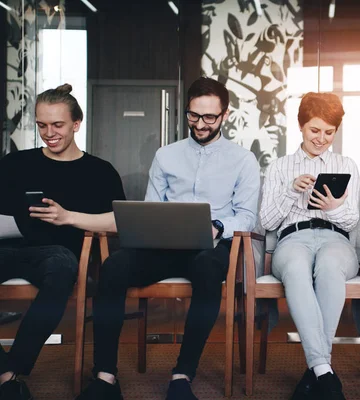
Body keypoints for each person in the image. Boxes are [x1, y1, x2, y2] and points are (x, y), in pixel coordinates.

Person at [76, 77, 260, 400]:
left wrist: (217, 225)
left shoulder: (243, 161)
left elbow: (246, 216)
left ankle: (182, 375)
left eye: (209, 118)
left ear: (225, 115)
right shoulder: (166, 156)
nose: (200, 124)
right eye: (193, 115)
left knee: (206, 270)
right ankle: (105, 377)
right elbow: (152, 208)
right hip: (165, 246)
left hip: (213, 246)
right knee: (114, 267)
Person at [0, 84, 126, 400]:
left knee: (61, 263)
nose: (49, 133)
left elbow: (118, 220)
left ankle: (10, 371)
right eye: (42, 125)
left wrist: (67, 217)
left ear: (76, 124)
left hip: (56, 259)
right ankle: (6, 371)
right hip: (8, 249)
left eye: (57, 125)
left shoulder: (100, 171)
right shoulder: (15, 164)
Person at [260, 92, 360, 400]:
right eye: (315, 130)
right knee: (297, 269)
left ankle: (317, 370)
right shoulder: (280, 167)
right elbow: (266, 221)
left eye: (329, 132)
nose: (321, 139)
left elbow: (352, 221)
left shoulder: (346, 164)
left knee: (330, 267)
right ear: (301, 126)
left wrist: (334, 207)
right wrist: (291, 192)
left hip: (335, 238)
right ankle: (324, 371)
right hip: (292, 238)